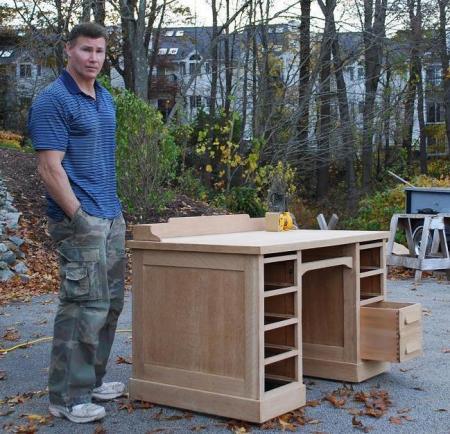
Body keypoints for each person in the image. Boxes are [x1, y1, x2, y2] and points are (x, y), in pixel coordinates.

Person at [28, 22, 126, 424]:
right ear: (69, 50)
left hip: (110, 214)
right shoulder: (53, 100)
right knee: (83, 306)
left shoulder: (104, 99)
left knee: (111, 304)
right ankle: (67, 397)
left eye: (100, 52)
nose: (93, 59)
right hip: (79, 219)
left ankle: (94, 380)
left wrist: (114, 212)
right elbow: (49, 168)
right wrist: (79, 217)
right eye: (86, 50)